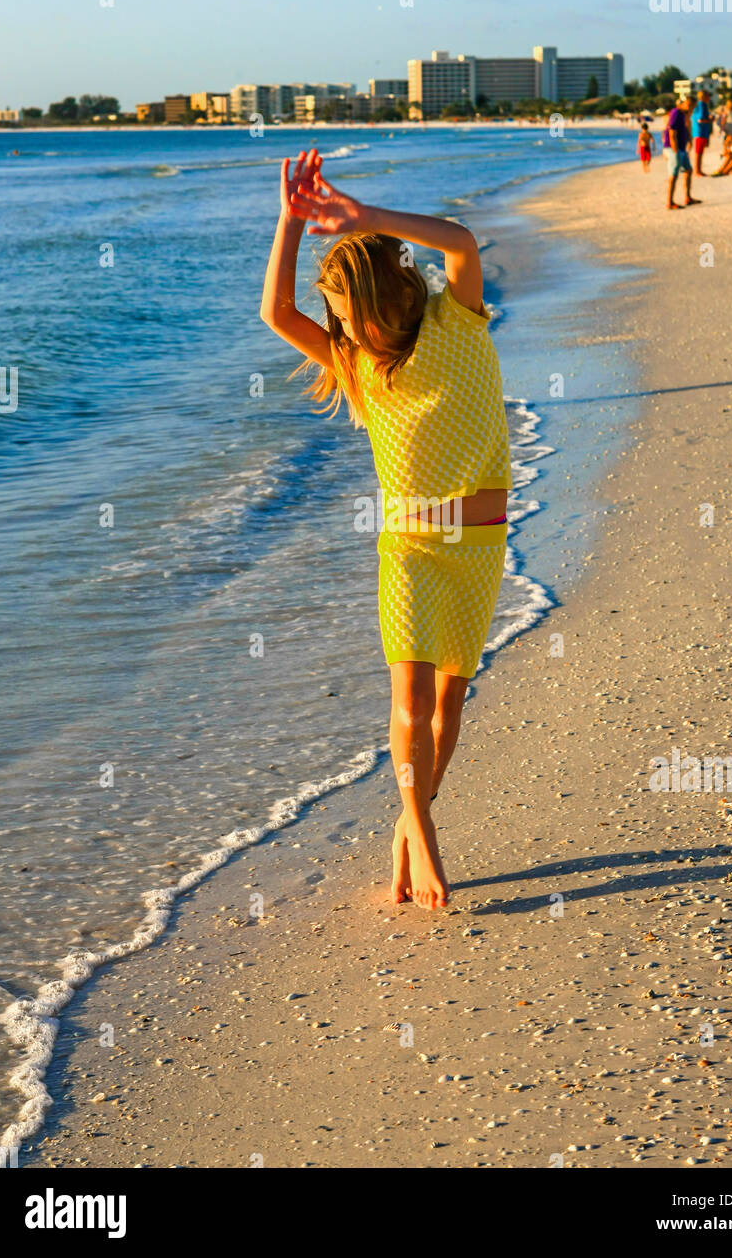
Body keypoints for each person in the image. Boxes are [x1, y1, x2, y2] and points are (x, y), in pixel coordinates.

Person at [260, 149, 512, 910]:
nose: (332, 323)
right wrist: (289, 222)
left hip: (477, 549)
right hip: (406, 547)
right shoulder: (355, 364)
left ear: (377, 297)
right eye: (330, 315)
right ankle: (421, 827)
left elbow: (460, 242)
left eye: (340, 308)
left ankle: (410, 818)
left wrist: (368, 217)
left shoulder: (457, 321)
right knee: (409, 696)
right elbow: (275, 314)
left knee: (450, 703)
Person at [663, 96, 700, 209]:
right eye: (689, 105)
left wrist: (689, 140)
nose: (691, 108)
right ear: (682, 103)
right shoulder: (676, 113)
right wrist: (675, 149)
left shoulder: (684, 115)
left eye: (693, 106)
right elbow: (671, 130)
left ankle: (687, 197)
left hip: (681, 148)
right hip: (674, 148)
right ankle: (670, 202)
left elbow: (686, 128)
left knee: (688, 170)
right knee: (673, 175)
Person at [691, 89, 712, 175]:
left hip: (698, 132)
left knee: (699, 152)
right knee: (699, 152)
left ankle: (698, 170)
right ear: (704, 96)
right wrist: (710, 120)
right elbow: (700, 120)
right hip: (700, 132)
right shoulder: (702, 104)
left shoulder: (699, 105)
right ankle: (697, 171)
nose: (709, 97)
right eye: (708, 95)